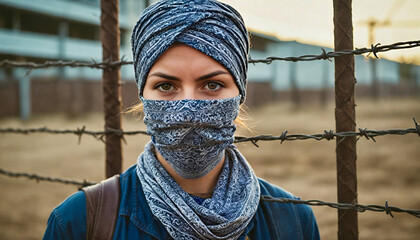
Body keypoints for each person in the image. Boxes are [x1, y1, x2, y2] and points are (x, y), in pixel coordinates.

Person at [43, 0, 320, 239]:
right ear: (143, 95)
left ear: (240, 94)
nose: (188, 108)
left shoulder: (293, 221)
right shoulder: (78, 222)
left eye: (212, 85)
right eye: (166, 86)